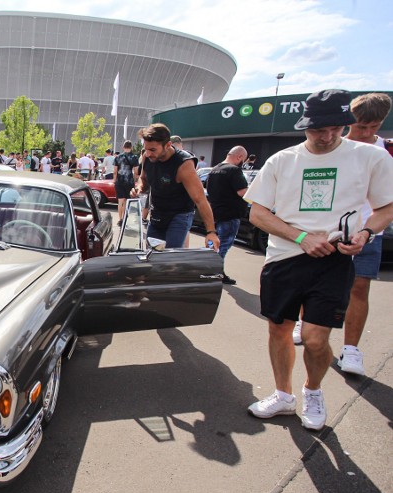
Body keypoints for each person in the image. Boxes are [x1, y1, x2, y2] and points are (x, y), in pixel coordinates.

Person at [244, 89, 393, 431]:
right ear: (304, 127)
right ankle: (283, 395)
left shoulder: (370, 157)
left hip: (334, 260)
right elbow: (258, 213)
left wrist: (366, 233)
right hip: (284, 258)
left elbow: (387, 206)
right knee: (279, 330)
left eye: (336, 129)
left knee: (314, 338)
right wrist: (300, 236)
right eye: (317, 130)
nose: (327, 137)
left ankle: (313, 389)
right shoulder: (283, 160)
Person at [337, 92, 392, 375]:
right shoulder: (333, 147)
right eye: (361, 127)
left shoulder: (388, 151)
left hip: (369, 232)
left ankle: (351, 349)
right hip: (328, 231)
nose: (367, 133)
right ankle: (304, 322)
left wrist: (370, 230)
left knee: (360, 287)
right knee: (310, 284)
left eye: (374, 126)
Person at [131, 124, 219, 250]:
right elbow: (143, 179)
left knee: (170, 255)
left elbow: (200, 199)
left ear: (167, 145)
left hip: (179, 215)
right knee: (152, 253)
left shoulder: (183, 164)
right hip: (157, 212)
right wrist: (139, 188)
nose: (148, 153)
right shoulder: (147, 156)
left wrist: (211, 232)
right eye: (146, 149)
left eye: (153, 150)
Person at [204, 146, 249, 285]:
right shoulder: (234, 170)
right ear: (240, 157)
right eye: (244, 160)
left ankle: (208, 269)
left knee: (213, 245)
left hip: (215, 214)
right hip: (230, 215)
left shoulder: (214, 170)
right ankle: (216, 273)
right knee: (223, 245)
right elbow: (243, 192)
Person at [113, 140, 140, 226]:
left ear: (123, 147)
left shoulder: (118, 157)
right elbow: (136, 172)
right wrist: (136, 181)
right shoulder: (134, 157)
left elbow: (115, 171)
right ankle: (124, 218)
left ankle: (120, 219)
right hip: (129, 181)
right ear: (131, 147)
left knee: (120, 201)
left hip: (119, 181)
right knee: (126, 201)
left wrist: (114, 180)